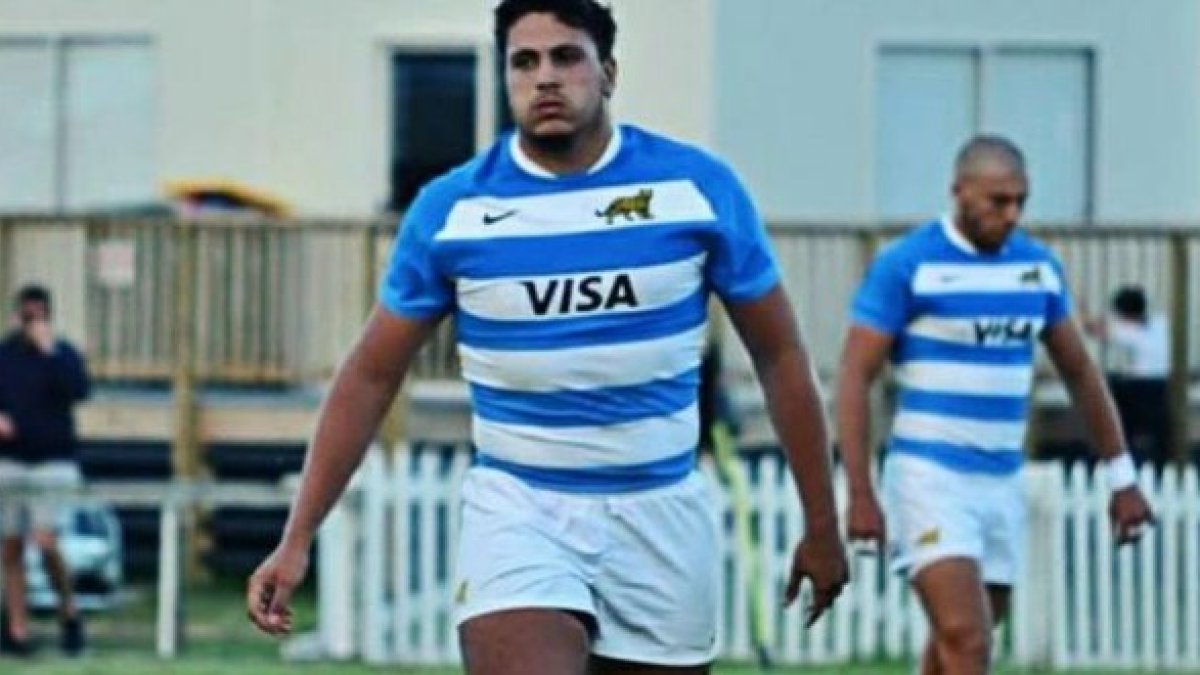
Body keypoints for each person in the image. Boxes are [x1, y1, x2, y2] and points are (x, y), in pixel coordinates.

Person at [247, 0, 848, 671]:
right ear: (505, 80)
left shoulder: (696, 189)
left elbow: (779, 356)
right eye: (524, 62)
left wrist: (822, 524)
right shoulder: (455, 211)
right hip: (520, 508)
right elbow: (369, 375)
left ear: (608, 72)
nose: (546, 78)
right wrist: (297, 536)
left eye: (567, 57)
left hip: (660, 513)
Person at [836, 136, 1154, 675]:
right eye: (997, 201)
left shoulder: (1037, 268)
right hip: (929, 477)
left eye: (1020, 201)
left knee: (961, 639)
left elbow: (1080, 371)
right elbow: (854, 374)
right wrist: (861, 490)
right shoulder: (909, 265)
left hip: (1002, 480)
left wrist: (1121, 477)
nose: (1011, 214)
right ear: (959, 192)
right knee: (967, 638)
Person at [0, 284, 90, 657]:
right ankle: (17, 628)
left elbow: (80, 391)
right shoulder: (4, 355)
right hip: (11, 460)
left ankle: (68, 611)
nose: (32, 322)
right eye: (27, 315)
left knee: (46, 541)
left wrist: (49, 350)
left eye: (38, 315)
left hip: (53, 462)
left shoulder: (63, 354)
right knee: (10, 546)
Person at [1084, 285, 1171, 465]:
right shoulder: (1161, 324)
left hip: (1138, 389)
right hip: (1162, 387)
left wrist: (1080, 309)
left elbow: (1092, 329)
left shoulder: (1128, 331)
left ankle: (1112, 450)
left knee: (1110, 391)